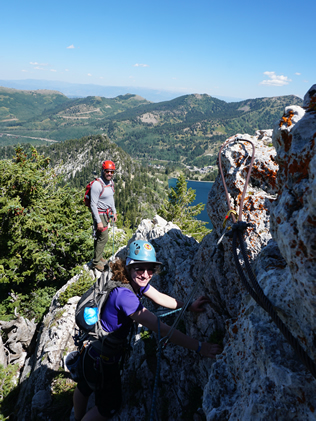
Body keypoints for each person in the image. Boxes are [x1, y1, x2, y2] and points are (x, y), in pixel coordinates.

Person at [73, 240, 222, 421]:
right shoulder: (125, 297)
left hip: (92, 352)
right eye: (140, 269)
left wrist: (189, 306)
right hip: (103, 360)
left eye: (150, 269)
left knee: (85, 387)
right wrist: (200, 347)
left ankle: (76, 417)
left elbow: (159, 298)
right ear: (129, 266)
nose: (145, 274)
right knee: (107, 408)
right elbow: (162, 329)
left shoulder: (126, 279)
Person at [90, 160, 117, 271]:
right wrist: (99, 221)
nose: (109, 174)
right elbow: (93, 204)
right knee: (103, 237)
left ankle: (98, 257)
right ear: (103, 171)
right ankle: (96, 262)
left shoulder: (110, 183)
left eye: (111, 172)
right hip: (99, 214)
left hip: (106, 213)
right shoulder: (97, 185)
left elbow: (111, 199)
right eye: (107, 171)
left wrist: (114, 212)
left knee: (100, 237)